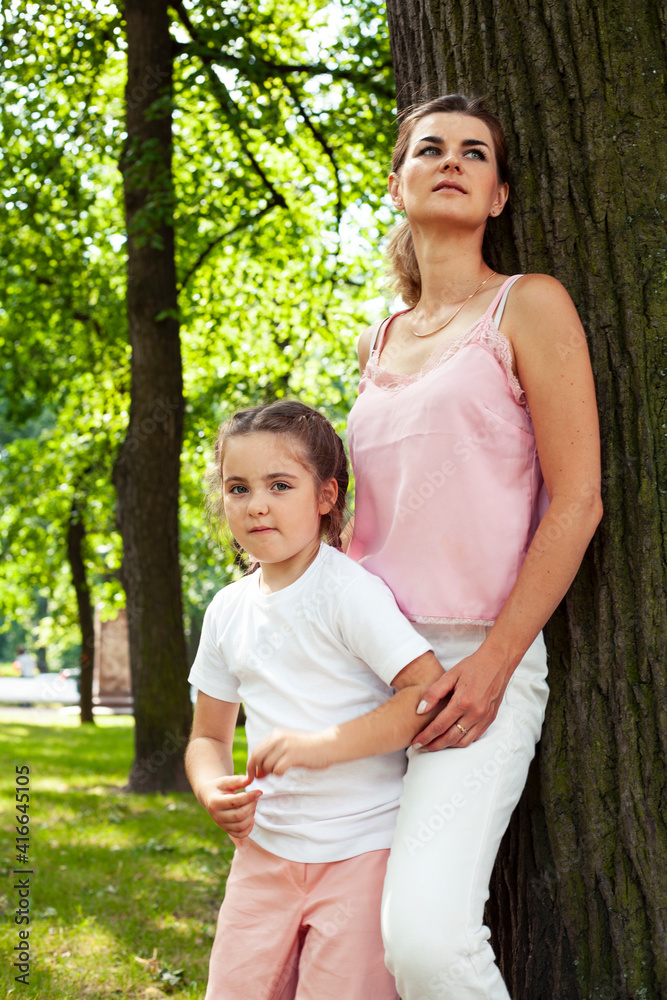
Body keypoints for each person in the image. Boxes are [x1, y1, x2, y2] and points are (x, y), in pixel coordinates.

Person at [339, 93, 602, 999]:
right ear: (397, 184)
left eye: (474, 152)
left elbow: (577, 503)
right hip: (363, 665)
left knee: (424, 942)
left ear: (497, 195)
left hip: (470, 667)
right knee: (343, 942)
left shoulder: (527, 305)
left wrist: (495, 662)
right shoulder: (377, 338)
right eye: (429, 149)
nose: (450, 160)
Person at [185, 399, 447, 1000]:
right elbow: (208, 736)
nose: (256, 504)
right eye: (238, 488)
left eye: (280, 485)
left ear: (326, 496)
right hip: (263, 855)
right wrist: (211, 789)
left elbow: (426, 693)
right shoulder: (226, 610)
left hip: (361, 854)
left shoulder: (348, 592)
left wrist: (322, 746)